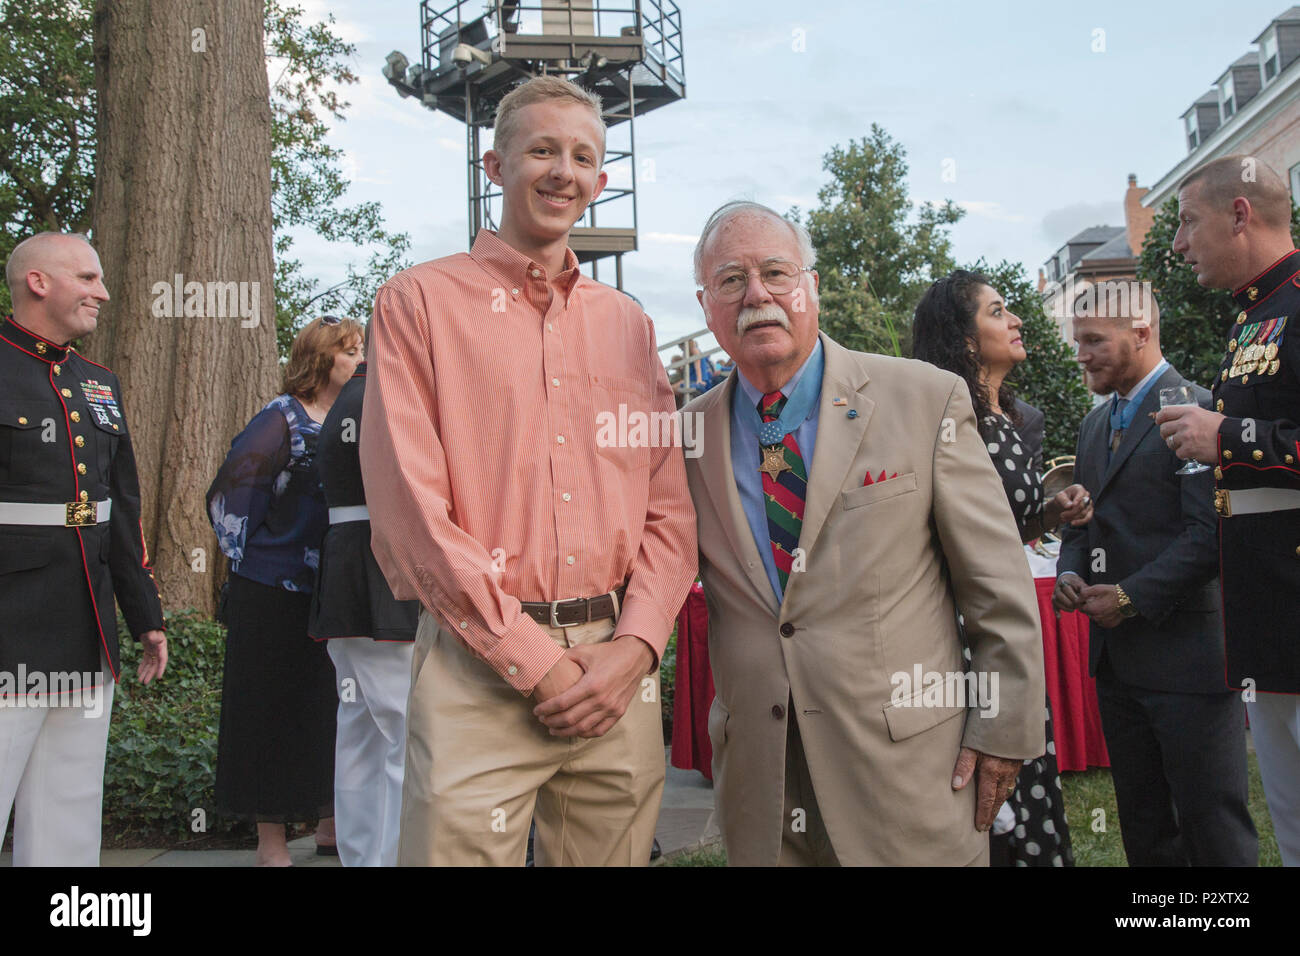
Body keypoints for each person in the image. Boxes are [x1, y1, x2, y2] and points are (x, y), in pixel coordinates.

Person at [359, 76, 697, 867]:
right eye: (541, 149)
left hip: (616, 670)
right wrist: (535, 663)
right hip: (479, 669)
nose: (562, 171)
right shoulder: (417, 304)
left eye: (582, 156)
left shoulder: (628, 324)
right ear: (495, 165)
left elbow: (669, 511)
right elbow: (411, 511)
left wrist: (638, 646)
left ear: (601, 182)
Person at [682, 201, 1045, 866]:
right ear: (707, 304)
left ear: (811, 286)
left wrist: (1004, 728)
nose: (756, 294)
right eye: (731, 280)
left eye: (775, 273)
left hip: (905, 780)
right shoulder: (686, 435)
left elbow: (997, 585)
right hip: (762, 790)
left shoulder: (923, 398)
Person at [1054, 283, 1257, 866]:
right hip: (1116, 664)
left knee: (1211, 822)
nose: (1081, 354)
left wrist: (1128, 596)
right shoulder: (1094, 426)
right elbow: (1082, 525)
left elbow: (1210, 535)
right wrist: (1070, 571)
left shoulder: (1197, 408)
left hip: (1188, 660)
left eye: (1094, 341)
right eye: (1078, 341)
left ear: (1140, 333)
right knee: (1144, 826)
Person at [912, 269, 1093, 867]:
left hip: (1006, 635)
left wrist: (1046, 512)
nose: (1015, 320)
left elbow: (997, 527)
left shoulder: (1005, 417)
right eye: (997, 312)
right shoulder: (948, 422)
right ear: (962, 338)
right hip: (970, 642)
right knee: (989, 807)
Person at [0, 232, 167, 866]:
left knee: (68, 809)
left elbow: (119, 511)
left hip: (85, 617)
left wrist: (145, 615)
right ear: (39, 282)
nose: (102, 292)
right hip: (9, 624)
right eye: (88, 278)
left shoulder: (97, 382)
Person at [1157, 154, 1300, 865]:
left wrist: (1228, 436)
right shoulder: (1252, 318)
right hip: (1267, 624)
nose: (1178, 243)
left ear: (1240, 214)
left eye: (1187, 222)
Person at [206, 314, 363, 866]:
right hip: (272, 591)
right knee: (268, 709)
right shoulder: (280, 420)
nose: (360, 359)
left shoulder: (353, 417)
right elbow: (229, 496)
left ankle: (329, 821)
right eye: (349, 351)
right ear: (322, 360)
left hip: (334, 591)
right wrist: (255, 559)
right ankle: (270, 841)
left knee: (330, 705)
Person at [307, 326, 418, 868]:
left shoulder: (351, 395)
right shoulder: (388, 395)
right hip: (384, 574)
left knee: (362, 732)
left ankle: (362, 857)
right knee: (404, 729)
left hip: (349, 571)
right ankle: (395, 857)